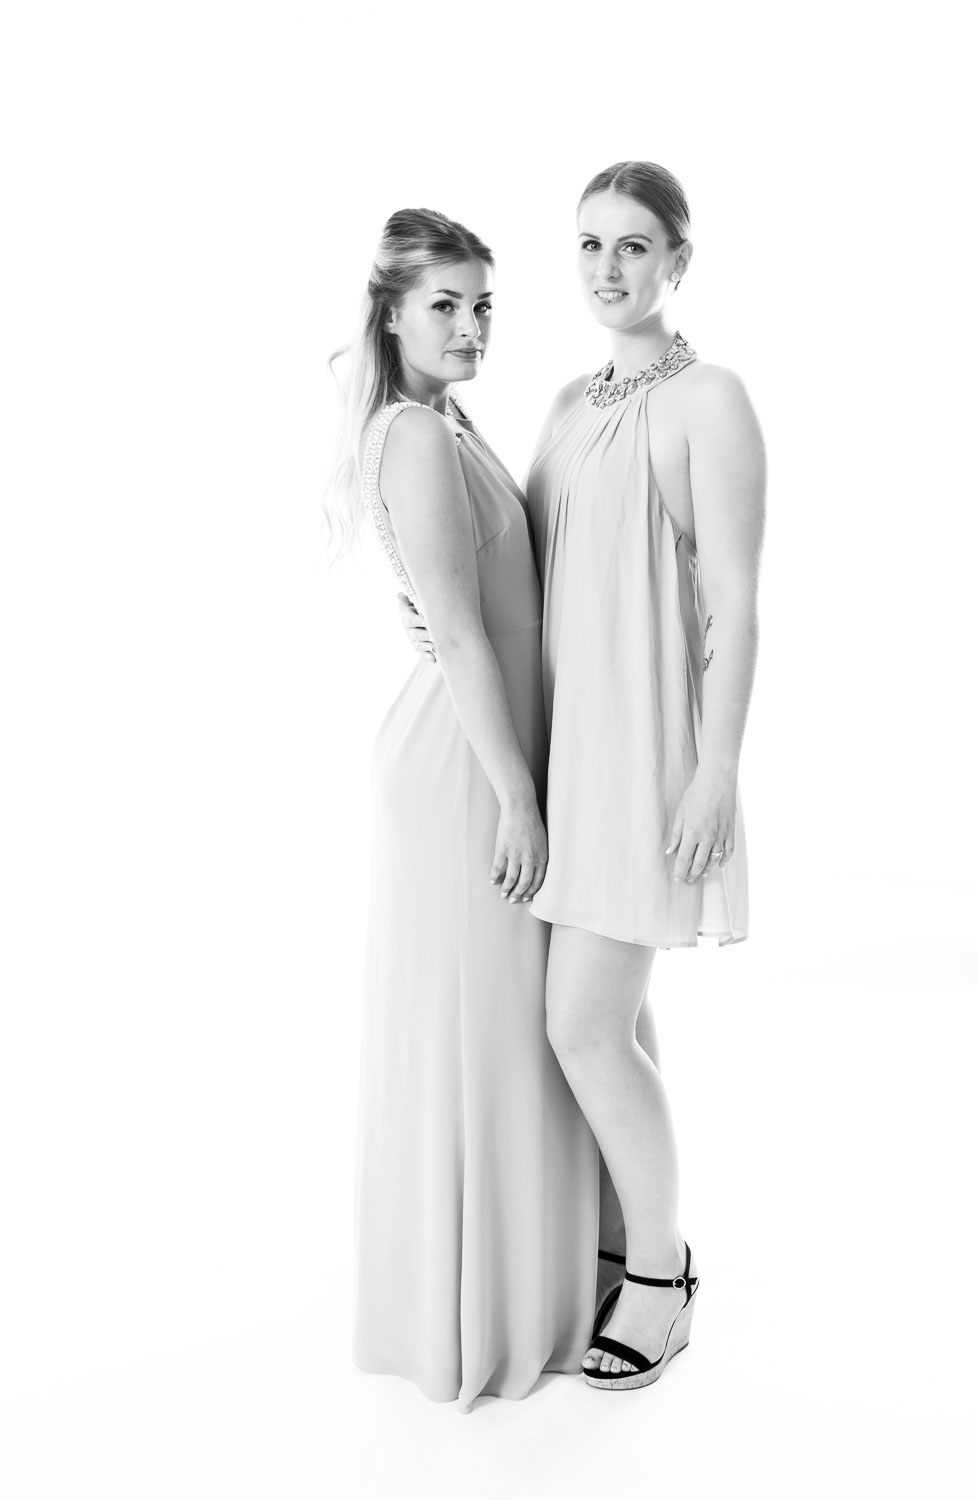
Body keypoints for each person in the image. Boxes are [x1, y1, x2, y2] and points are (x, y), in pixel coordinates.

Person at [401, 163, 765, 1392]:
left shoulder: (709, 401)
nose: (607, 269)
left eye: (633, 246)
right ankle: (613, 1240)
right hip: (563, 753)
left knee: (583, 1026)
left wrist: (715, 772)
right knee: (606, 1018)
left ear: (677, 262)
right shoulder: (565, 402)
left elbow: (736, 605)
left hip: (644, 762)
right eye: (589, 245)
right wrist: (431, 616)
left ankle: (659, 1277)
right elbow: (522, 566)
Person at [330, 208, 598, 1413]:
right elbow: (460, 634)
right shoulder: (412, 437)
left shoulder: (446, 420)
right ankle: (476, 1312)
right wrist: (518, 799)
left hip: (490, 753)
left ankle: (528, 1284)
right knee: (485, 1035)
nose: (470, 325)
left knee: (517, 1031)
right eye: (443, 304)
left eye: (483, 303)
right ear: (390, 314)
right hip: (468, 771)